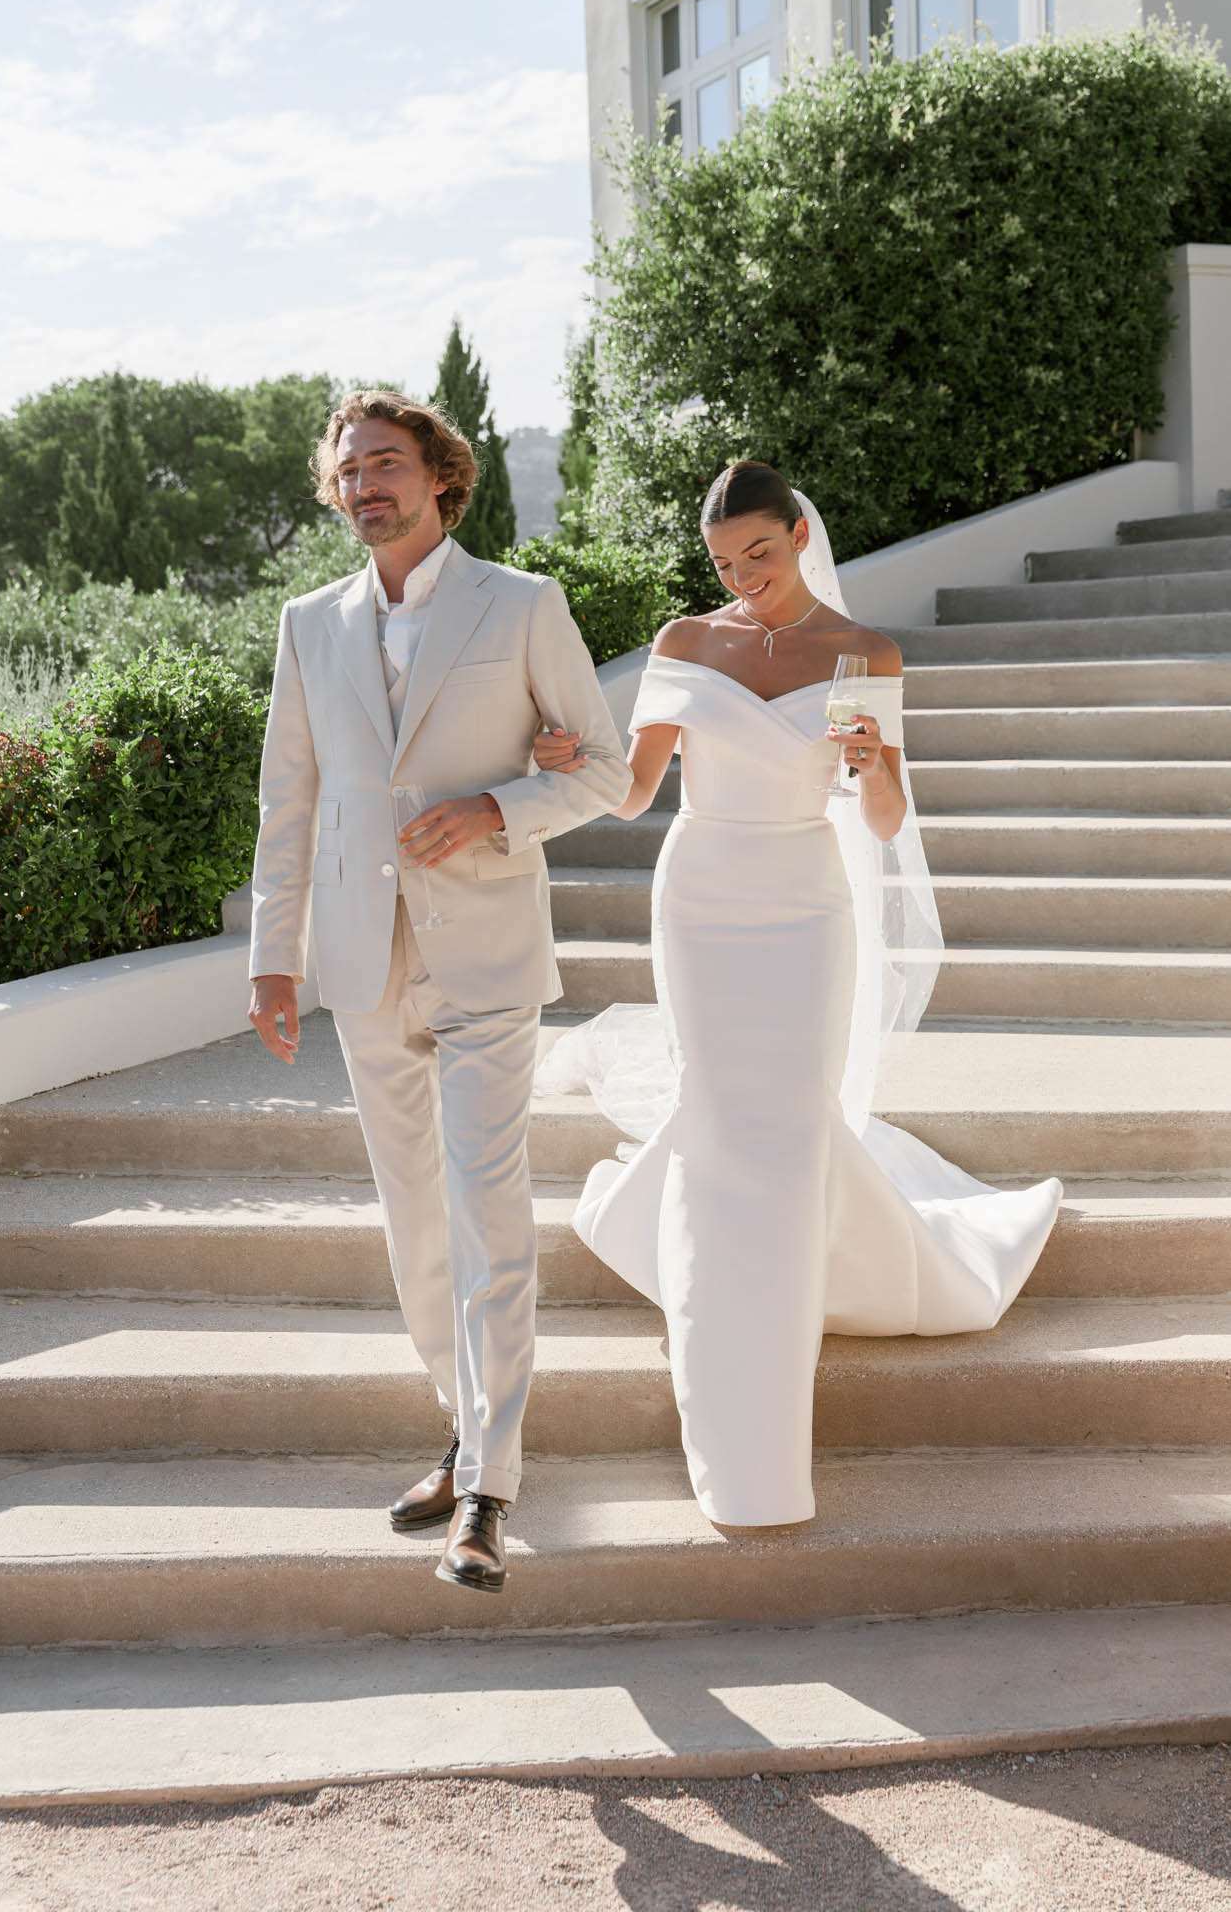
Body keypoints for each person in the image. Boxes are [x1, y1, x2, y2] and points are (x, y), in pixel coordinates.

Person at [533, 461, 1062, 1528]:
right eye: (725, 563)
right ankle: (740, 1421)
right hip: (702, 897)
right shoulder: (687, 644)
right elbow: (636, 793)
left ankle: (775, 1352)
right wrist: (563, 758)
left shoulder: (864, 653)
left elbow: (881, 817)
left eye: (759, 555)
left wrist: (870, 765)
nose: (744, 578)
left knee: (787, 1117)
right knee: (728, 1114)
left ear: (800, 533)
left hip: (805, 902)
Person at [248, 391, 631, 1591]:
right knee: (415, 1218)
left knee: (486, 1207)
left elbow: (608, 770)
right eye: (349, 467)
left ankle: (488, 1490)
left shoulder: (520, 604)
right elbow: (289, 796)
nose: (366, 483)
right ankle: (463, 1423)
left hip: (485, 954)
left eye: (387, 463)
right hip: (364, 960)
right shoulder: (310, 622)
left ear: (439, 477)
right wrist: (274, 953)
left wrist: (501, 809)